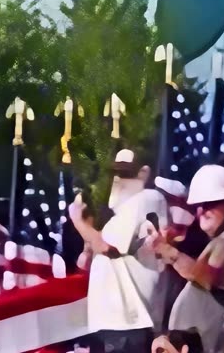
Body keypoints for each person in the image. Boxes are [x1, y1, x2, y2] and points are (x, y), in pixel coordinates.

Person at [155, 165, 224, 353]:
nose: (202, 210)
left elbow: (207, 273)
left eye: (211, 202)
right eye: (198, 205)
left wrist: (167, 251)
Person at [69, 149, 170, 353]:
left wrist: (77, 220)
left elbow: (107, 247)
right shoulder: (126, 212)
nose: (119, 180)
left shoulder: (146, 198)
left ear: (143, 174)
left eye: (126, 174)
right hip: (116, 323)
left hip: (126, 324)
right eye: (116, 173)